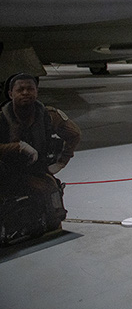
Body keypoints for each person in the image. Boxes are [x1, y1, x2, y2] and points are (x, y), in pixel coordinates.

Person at [0, 73, 81, 243]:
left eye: (30, 89)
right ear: (10, 94)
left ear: (37, 92)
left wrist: (61, 162)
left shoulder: (48, 116)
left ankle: (50, 226)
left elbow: (74, 134)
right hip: (5, 171)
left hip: (35, 170)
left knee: (50, 191)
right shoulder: (2, 118)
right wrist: (18, 147)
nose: (25, 93)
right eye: (20, 89)